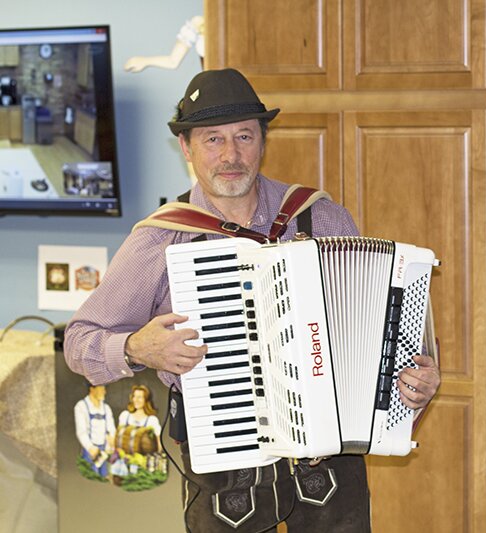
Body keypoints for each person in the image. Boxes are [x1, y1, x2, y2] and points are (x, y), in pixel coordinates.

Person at [64, 68, 441, 532]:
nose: (230, 155)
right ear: (187, 148)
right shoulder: (162, 237)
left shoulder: (319, 216)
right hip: (225, 471)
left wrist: (412, 383)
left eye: (244, 136)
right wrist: (137, 348)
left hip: (330, 464)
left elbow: (380, 331)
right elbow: (80, 339)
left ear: (263, 141)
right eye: (212, 140)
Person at [73, 383, 115, 479]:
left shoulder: (106, 408)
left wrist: (111, 440)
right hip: (90, 452)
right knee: (91, 478)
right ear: (92, 389)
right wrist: (90, 447)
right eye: (101, 389)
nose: (104, 392)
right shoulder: (81, 406)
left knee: (105, 478)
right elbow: (81, 431)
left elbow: (111, 428)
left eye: (104, 389)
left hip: (104, 451)